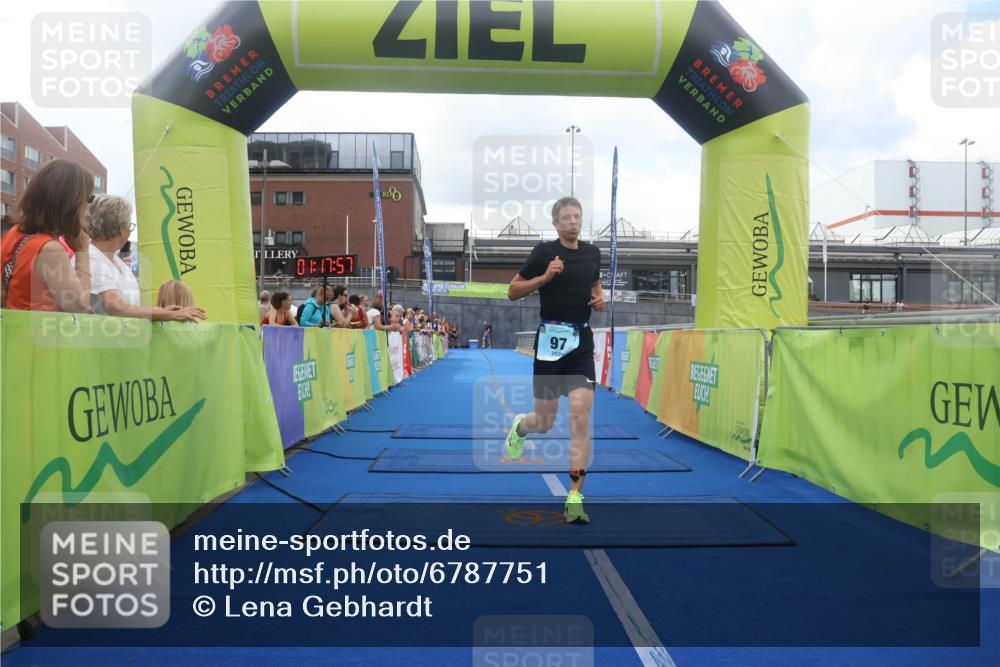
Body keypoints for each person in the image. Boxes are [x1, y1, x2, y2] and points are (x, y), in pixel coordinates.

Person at [504, 196, 603, 524]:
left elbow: (595, 282)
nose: (574, 221)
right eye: (567, 217)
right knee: (545, 423)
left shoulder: (592, 252)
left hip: (581, 345)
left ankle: (575, 494)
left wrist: (599, 297)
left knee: (579, 418)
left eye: (578, 216)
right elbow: (513, 290)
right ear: (556, 223)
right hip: (549, 344)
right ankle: (522, 426)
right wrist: (545, 278)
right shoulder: (544, 252)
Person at [88, 195, 204, 322]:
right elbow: (116, 307)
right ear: (121, 229)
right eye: (130, 226)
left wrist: (161, 311)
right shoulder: (92, 258)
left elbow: (130, 307)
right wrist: (168, 314)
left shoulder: (114, 261)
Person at [1, 159, 93, 312]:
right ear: (71, 203)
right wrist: (82, 252)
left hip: (14, 331)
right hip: (39, 333)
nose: (88, 205)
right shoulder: (50, 249)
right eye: (89, 198)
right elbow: (80, 307)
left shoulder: (14, 233)